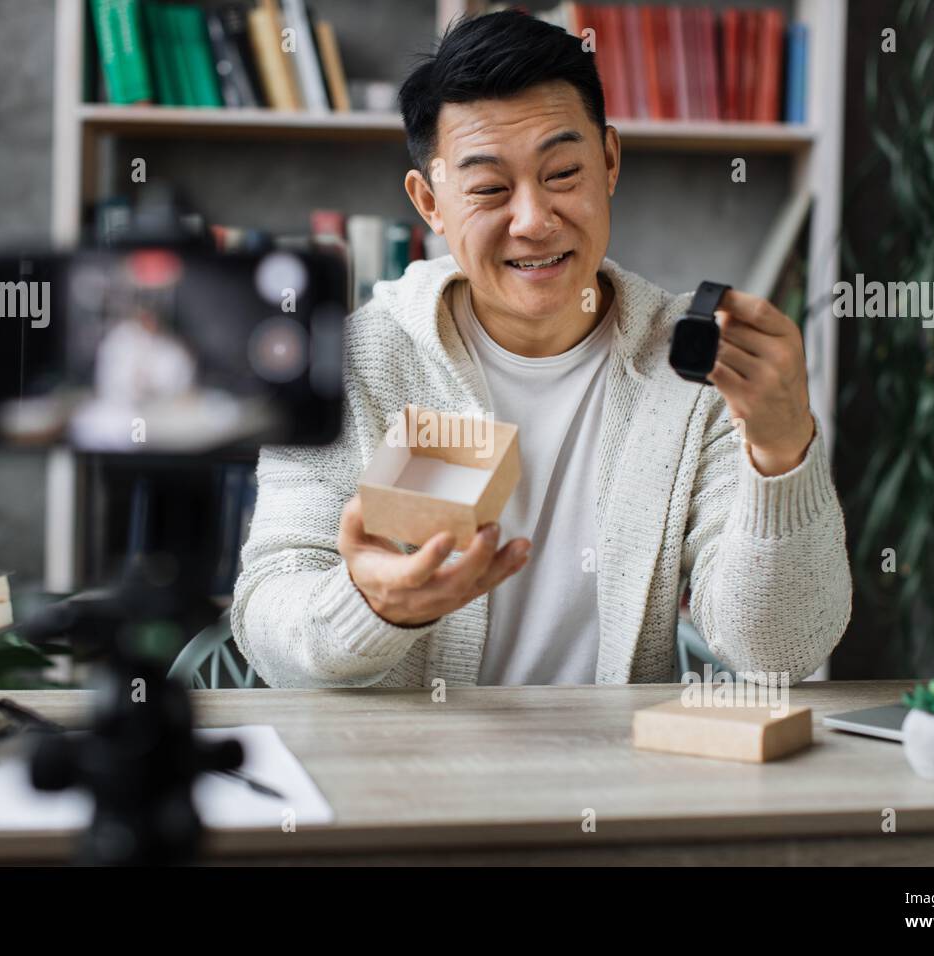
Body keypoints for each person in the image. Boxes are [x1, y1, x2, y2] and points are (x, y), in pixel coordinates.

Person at [231, 10, 851, 688]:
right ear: (430, 203)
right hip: (397, 781)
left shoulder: (695, 371)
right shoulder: (350, 361)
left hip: (615, 778)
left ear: (609, 162)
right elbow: (266, 618)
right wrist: (371, 604)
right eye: (490, 189)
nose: (532, 220)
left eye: (562, 174)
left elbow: (781, 651)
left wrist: (782, 449)